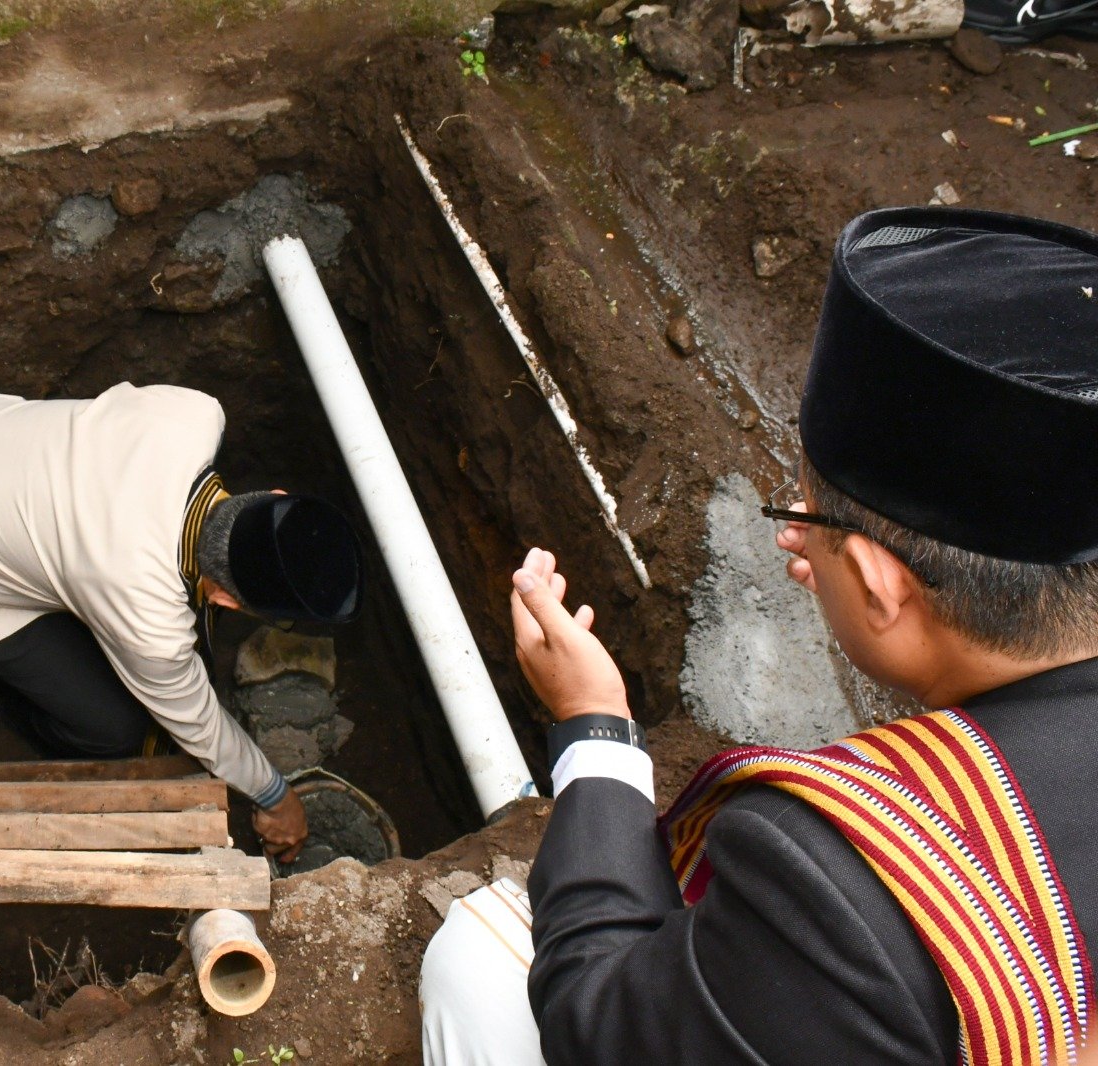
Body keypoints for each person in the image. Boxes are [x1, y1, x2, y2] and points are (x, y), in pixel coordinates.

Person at [421, 206, 1098, 1064]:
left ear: (884, 585)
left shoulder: (830, 885)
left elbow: (597, 1023)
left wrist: (594, 727)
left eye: (810, 515)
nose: (792, 537)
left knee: (478, 958)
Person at [0, 381, 363, 861]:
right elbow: (199, 727)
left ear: (274, 495)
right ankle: (22, 712)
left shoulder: (193, 412)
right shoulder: (146, 616)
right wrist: (276, 797)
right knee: (116, 729)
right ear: (225, 602)